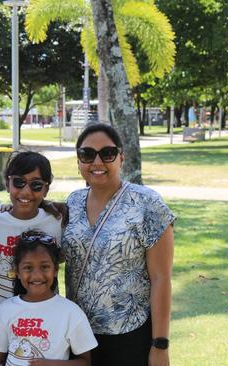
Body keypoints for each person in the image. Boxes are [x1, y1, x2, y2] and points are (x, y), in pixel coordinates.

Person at [61, 123, 175, 366]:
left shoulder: (147, 204)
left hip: (129, 335)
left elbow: (161, 278)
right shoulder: (73, 202)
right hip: (77, 335)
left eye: (108, 153)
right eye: (87, 154)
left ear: (121, 157)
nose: (97, 162)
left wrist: (160, 344)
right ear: (79, 160)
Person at [0, 230, 98, 366]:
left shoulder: (71, 312)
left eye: (44, 266)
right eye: (28, 268)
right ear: (17, 272)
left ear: (55, 270)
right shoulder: (6, 310)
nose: (37, 275)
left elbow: (85, 362)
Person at [0, 151, 62, 323]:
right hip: (0, 325)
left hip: (47, 324)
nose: (26, 192)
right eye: (18, 182)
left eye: (36, 185)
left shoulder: (57, 222)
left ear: (46, 189)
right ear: (7, 184)